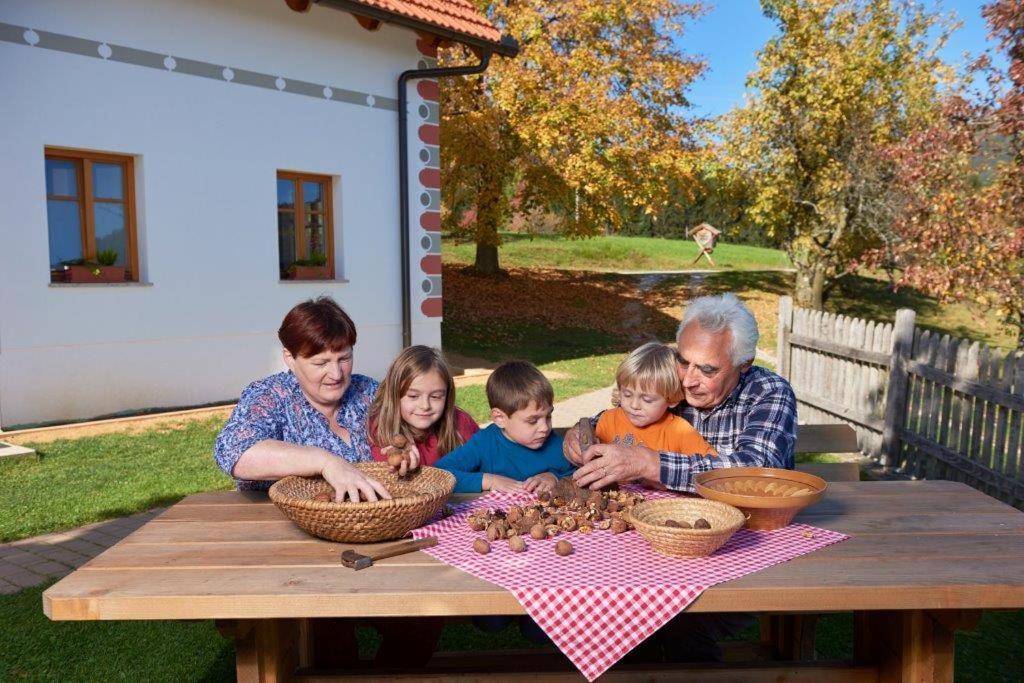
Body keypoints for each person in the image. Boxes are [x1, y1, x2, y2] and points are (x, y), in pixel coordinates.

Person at [565, 292, 797, 493]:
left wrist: (653, 465)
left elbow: (757, 471)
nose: (686, 381)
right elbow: (620, 416)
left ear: (744, 363)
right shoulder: (670, 377)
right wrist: (580, 434)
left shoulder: (769, 392)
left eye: (707, 369)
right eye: (683, 361)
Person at [213, 296, 389, 502]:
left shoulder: (368, 391)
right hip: (279, 526)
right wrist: (326, 462)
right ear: (290, 358)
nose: (336, 373)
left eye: (344, 358)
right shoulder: (270, 396)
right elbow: (234, 452)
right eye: (321, 362)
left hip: (368, 525)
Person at [435, 360, 575, 494]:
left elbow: (580, 472)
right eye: (532, 421)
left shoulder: (555, 444)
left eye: (548, 416)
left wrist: (554, 477)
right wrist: (489, 481)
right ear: (499, 418)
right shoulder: (484, 443)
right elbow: (438, 475)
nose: (545, 428)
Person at [368, 345, 479, 471]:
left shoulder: (461, 422)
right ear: (394, 395)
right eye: (414, 396)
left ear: (447, 395)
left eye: (436, 396)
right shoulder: (382, 431)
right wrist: (399, 467)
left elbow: (489, 459)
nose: (425, 406)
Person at [597, 342, 717, 458]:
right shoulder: (608, 420)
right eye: (627, 395)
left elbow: (713, 466)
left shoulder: (680, 431)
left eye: (647, 400)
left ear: (672, 399)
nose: (634, 405)